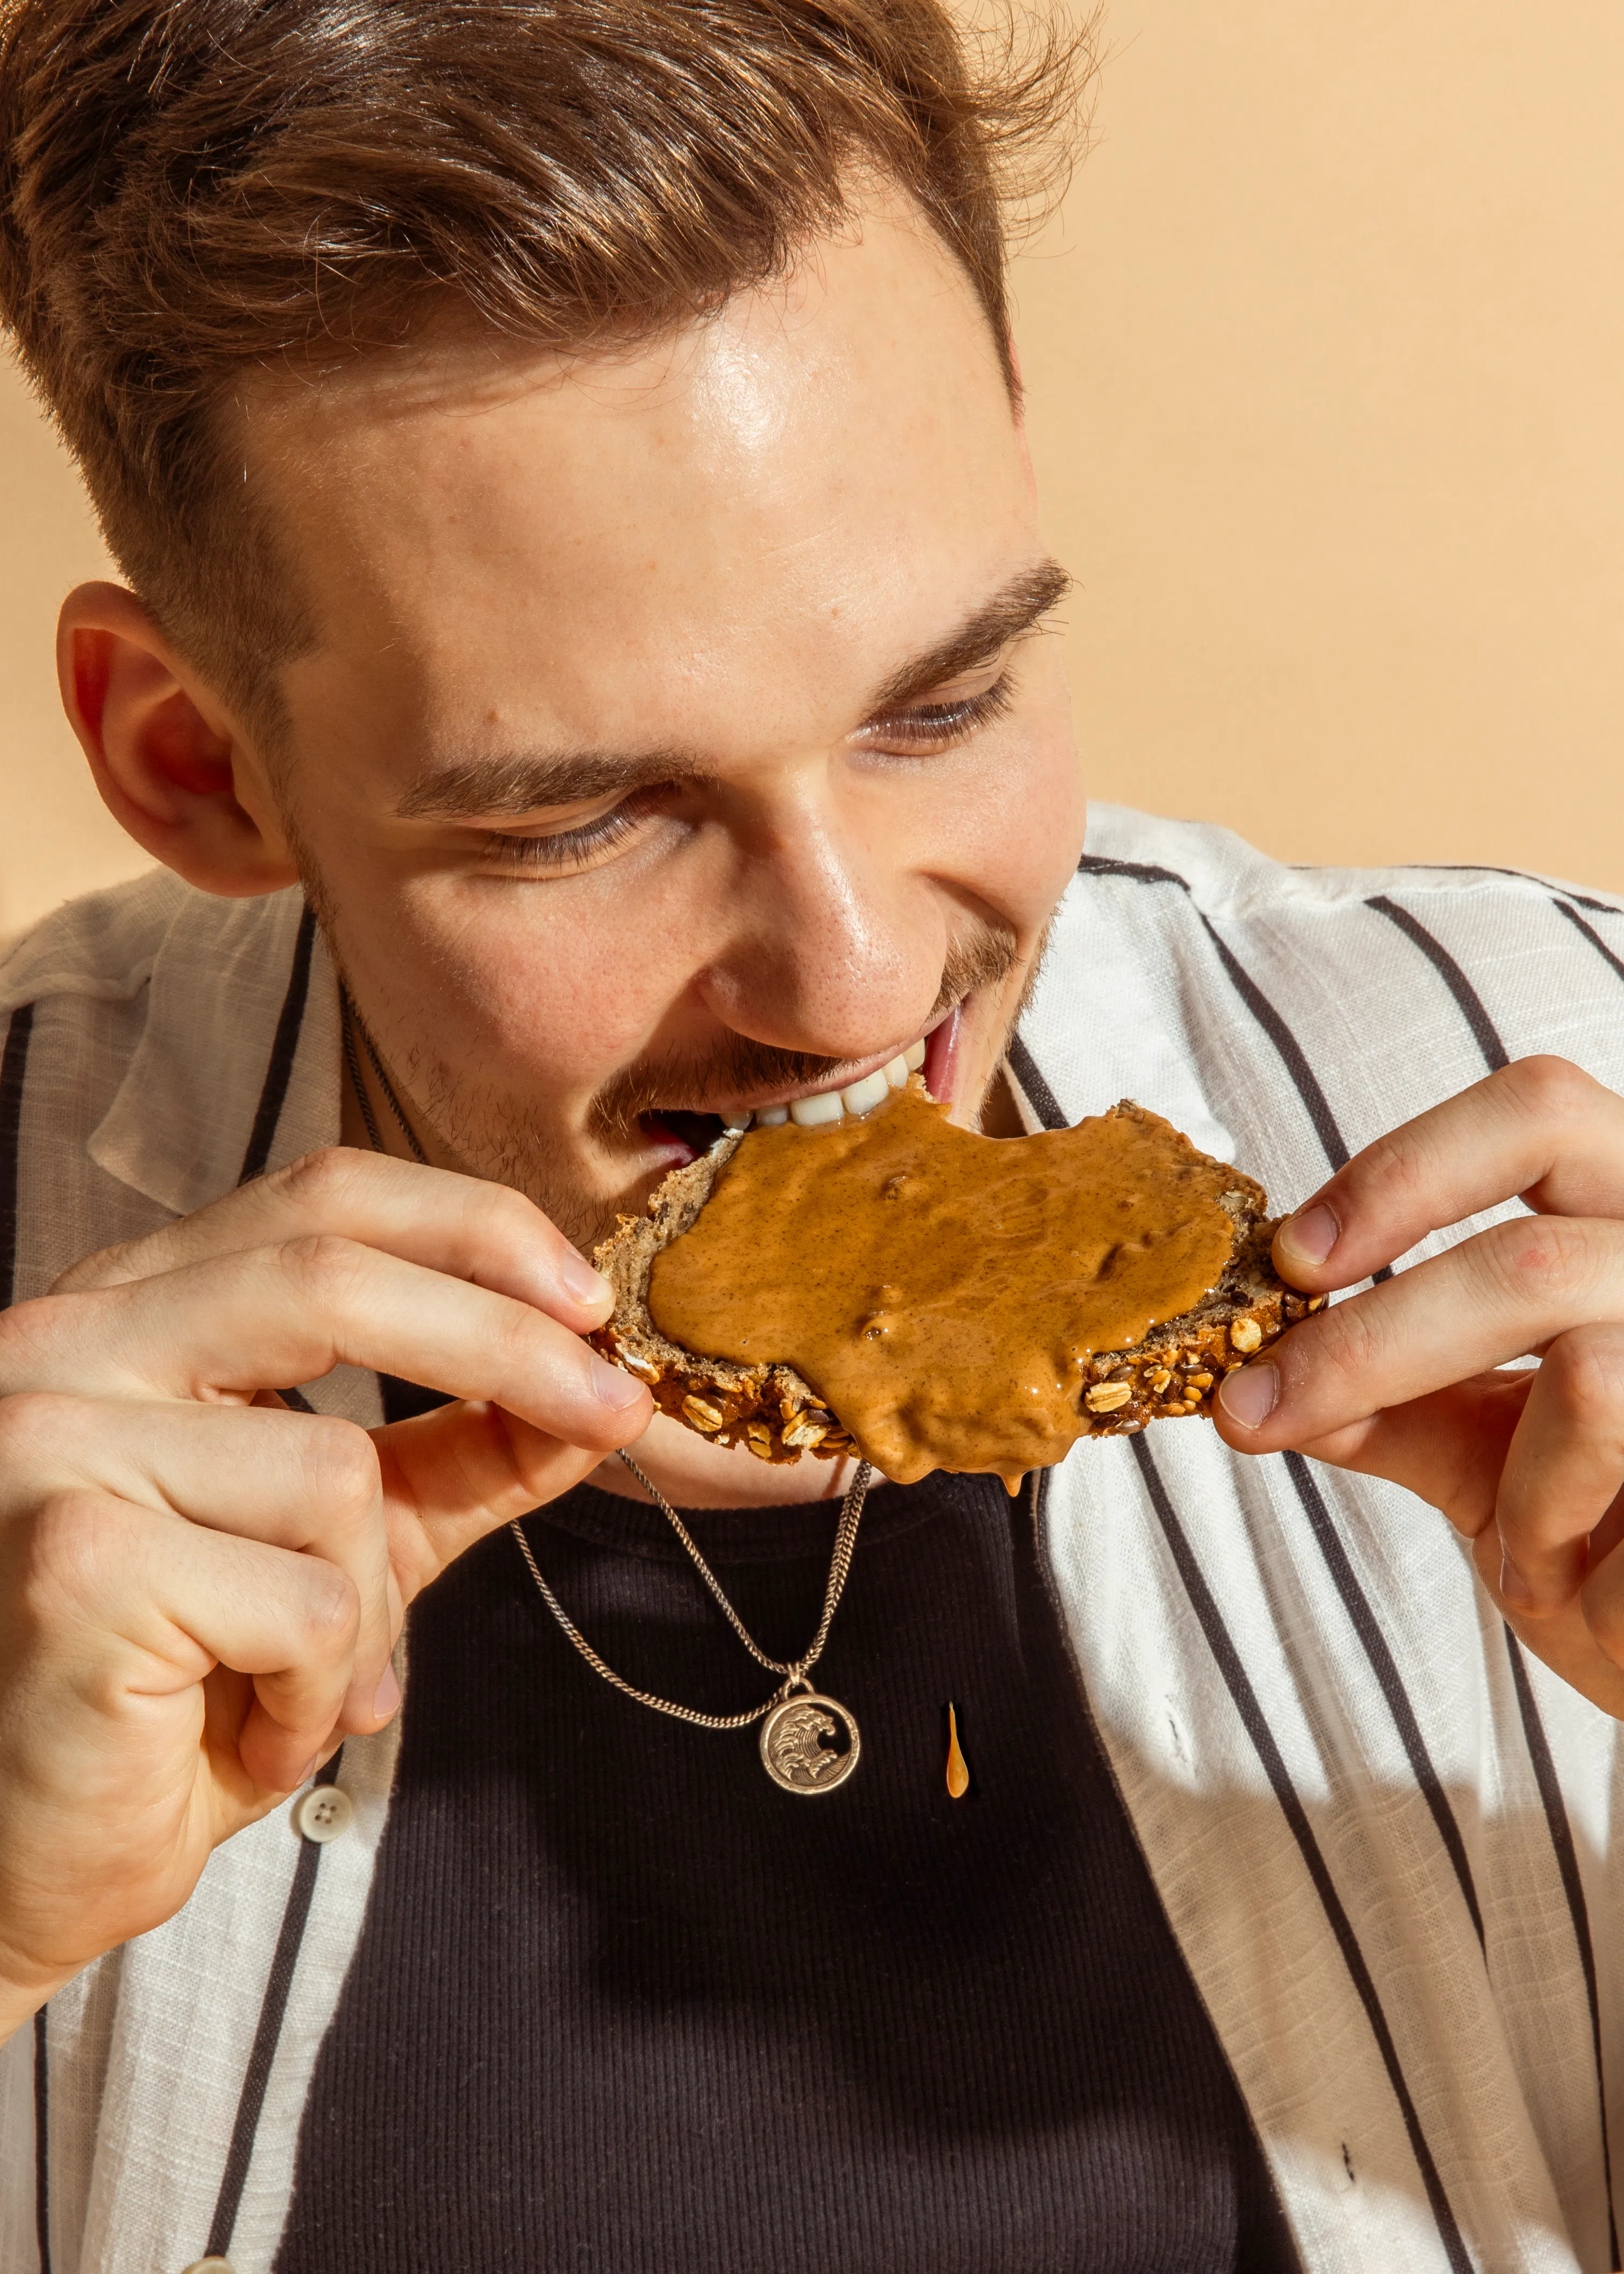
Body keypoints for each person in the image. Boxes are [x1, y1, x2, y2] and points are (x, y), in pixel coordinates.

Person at [3, 2, 1624, 2269]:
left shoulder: (1574, 1118)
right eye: (583, 816)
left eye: (938, 701)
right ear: (196, 762)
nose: (859, 984)